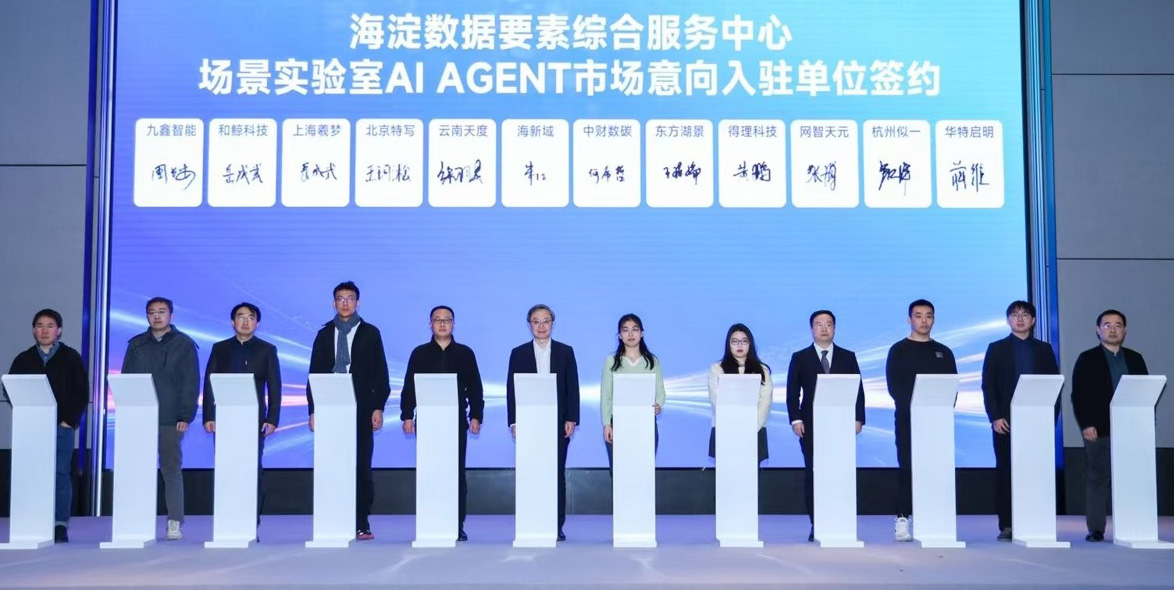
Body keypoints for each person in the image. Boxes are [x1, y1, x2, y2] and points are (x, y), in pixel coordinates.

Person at [306, 281, 390, 540]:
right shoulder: (324, 334)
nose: (345, 303)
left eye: (350, 298)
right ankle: (332, 518)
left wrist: (378, 407)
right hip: (329, 406)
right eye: (340, 298)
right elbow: (314, 373)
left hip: (362, 407)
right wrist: (313, 409)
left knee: (361, 466)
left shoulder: (370, 333)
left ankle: (361, 521)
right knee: (331, 465)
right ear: (333, 303)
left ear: (358, 302)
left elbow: (380, 373)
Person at [400, 305, 484, 542]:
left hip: (455, 421)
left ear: (453, 324)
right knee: (430, 471)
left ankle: (456, 524)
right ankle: (430, 521)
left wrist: (476, 415)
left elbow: (475, 387)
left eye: (447, 320)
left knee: (455, 472)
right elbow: (409, 386)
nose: (442, 323)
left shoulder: (465, 353)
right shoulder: (419, 353)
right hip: (427, 421)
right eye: (438, 320)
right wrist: (407, 415)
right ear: (430, 324)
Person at [6, 309, 89, 543]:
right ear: (33, 330)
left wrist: (68, 420)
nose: (44, 331)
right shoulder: (23, 359)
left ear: (59, 330)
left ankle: (59, 524)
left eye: (50, 326)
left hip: (61, 426)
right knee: (30, 473)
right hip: (31, 428)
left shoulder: (70, 357)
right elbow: (10, 388)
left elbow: (81, 391)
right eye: (40, 326)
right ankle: (32, 520)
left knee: (60, 474)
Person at [121, 296, 199, 541]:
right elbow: (126, 381)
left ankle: (174, 522)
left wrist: (185, 415)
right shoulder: (136, 345)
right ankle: (137, 520)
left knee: (171, 469)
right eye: (152, 312)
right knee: (138, 469)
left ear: (171, 316)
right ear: (147, 316)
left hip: (170, 417)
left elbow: (190, 383)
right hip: (140, 417)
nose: (156, 316)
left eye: (162, 311)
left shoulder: (184, 344)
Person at [980, 300, 1059, 541]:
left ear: (1033, 321)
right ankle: (1007, 525)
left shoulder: (1044, 349)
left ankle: (1035, 520)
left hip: (1037, 421)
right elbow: (988, 386)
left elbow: (1053, 386)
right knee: (1006, 472)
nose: (1020, 319)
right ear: (1008, 320)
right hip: (1006, 422)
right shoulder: (996, 348)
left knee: (1036, 472)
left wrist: (1050, 419)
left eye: (1025, 315)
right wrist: (995, 417)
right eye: (1015, 315)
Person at [786, 310, 865, 542]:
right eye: (819, 324)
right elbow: (792, 392)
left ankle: (840, 519)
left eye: (828, 324)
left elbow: (858, 390)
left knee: (840, 473)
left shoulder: (848, 357)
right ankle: (817, 522)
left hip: (841, 424)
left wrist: (858, 418)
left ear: (834, 329)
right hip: (810, 426)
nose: (824, 329)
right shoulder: (800, 357)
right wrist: (796, 419)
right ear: (812, 329)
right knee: (814, 473)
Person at [202, 302, 282, 529]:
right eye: (240, 316)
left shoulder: (267, 350)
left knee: (252, 470)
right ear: (232, 322)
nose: (246, 321)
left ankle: (250, 521)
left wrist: (272, 418)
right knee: (226, 469)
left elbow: (274, 386)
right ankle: (227, 520)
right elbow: (209, 383)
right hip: (225, 419)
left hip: (254, 420)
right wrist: (209, 416)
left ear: (257, 323)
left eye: (251, 317)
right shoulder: (220, 348)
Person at [1071, 309, 1146, 542]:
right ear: (1098, 330)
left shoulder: (1135, 358)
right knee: (1098, 478)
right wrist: (1086, 424)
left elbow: (1145, 393)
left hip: (1131, 430)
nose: (1112, 330)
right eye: (1107, 325)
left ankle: (1134, 524)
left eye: (1118, 325)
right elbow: (1079, 395)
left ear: (1125, 330)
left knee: (1132, 478)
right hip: (1099, 429)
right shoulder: (1087, 358)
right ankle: (1096, 528)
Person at [506, 304, 580, 542]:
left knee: (555, 474)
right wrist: (514, 421)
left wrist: (571, 418)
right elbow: (512, 389)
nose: (541, 326)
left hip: (558, 423)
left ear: (552, 324)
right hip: (529, 423)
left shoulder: (565, 351)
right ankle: (531, 521)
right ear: (529, 324)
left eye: (545, 321)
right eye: (536, 321)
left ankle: (556, 525)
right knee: (531, 472)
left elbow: (572, 387)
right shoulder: (518, 353)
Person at [884, 299, 956, 542]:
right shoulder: (898, 350)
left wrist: (940, 412)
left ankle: (934, 518)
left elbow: (951, 388)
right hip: (908, 421)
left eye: (928, 316)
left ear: (934, 319)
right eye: (918, 316)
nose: (924, 321)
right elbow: (895, 387)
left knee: (936, 470)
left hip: (938, 423)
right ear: (909, 319)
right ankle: (902, 519)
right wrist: (917, 409)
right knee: (908, 469)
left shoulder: (944, 352)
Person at [706, 323, 773, 494]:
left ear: (750, 344)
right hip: (725, 430)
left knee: (750, 482)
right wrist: (732, 425)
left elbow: (765, 401)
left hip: (754, 431)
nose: (739, 345)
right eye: (734, 341)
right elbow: (715, 399)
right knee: (727, 481)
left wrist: (751, 427)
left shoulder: (762, 369)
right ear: (728, 345)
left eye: (744, 341)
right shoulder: (717, 368)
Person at [599, 313, 665, 467]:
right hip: (618, 421)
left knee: (644, 468)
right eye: (625, 330)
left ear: (642, 333)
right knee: (620, 469)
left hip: (646, 422)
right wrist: (607, 424)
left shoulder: (652, 361)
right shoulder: (611, 361)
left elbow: (660, 391)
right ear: (619, 335)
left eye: (635, 329)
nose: (630, 334)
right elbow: (606, 395)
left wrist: (658, 404)